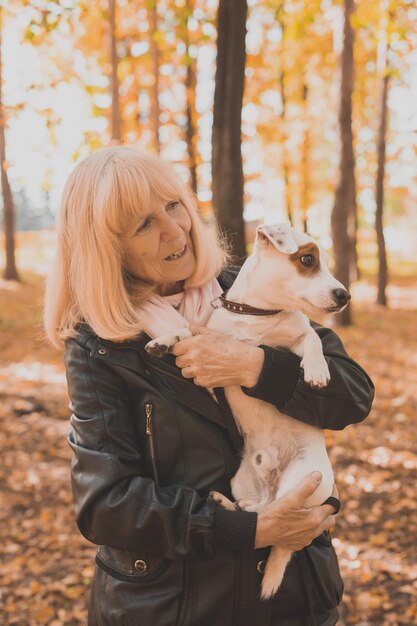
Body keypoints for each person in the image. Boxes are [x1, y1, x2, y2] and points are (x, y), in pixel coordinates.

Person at [44, 146, 374, 626]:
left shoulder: (251, 290)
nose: (175, 231)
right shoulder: (99, 346)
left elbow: (353, 395)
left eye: (173, 205)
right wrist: (248, 528)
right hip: (174, 609)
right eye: (143, 225)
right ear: (105, 249)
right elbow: (106, 505)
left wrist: (258, 367)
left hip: (294, 603)